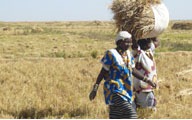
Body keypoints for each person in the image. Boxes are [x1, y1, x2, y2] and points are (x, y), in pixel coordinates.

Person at [89, 31, 156, 119]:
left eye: (130, 42)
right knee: (131, 115)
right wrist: (95, 88)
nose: (129, 44)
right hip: (114, 89)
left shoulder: (128, 54)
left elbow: (133, 70)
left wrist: (147, 80)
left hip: (126, 89)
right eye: (127, 42)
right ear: (120, 42)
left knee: (116, 116)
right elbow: (103, 72)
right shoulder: (111, 54)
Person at [132, 37, 159, 110]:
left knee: (148, 109)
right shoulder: (138, 53)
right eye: (147, 41)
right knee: (146, 110)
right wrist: (134, 35)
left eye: (149, 41)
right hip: (143, 87)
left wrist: (153, 33)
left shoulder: (149, 51)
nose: (149, 42)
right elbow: (134, 44)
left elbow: (156, 42)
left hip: (150, 86)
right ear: (141, 44)